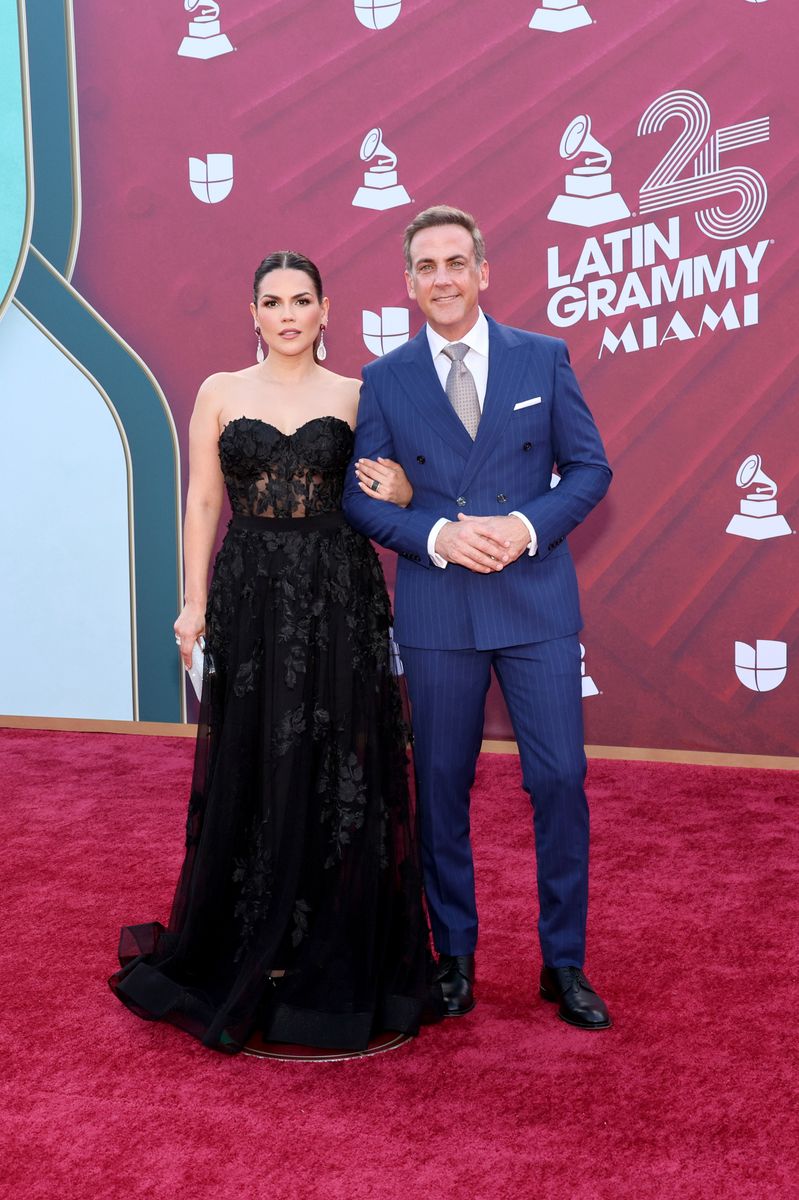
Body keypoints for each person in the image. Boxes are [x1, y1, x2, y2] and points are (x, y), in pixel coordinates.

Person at [110, 251, 440, 1055]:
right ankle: (251, 936)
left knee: (341, 761)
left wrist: (404, 493)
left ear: (326, 311)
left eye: (302, 300)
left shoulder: (361, 396)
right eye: (272, 301)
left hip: (340, 591)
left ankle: (334, 943)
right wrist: (191, 602)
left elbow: (393, 492)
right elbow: (202, 498)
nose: (287, 314)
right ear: (251, 313)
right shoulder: (220, 392)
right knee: (256, 756)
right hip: (250, 590)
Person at [343, 206, 613, 1030]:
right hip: (438, 610)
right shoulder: (383, 379)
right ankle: (451, 957)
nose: (443, 279)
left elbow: (589, 469)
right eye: (426, 267)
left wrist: (525, 526)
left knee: (560, 780)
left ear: (483, 271)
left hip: (533, 603)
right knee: (441, 788)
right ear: (409, 283)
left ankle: (561, 962)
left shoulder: (544, 356)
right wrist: (436, 533)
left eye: (456, 262)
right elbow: (361, 500)